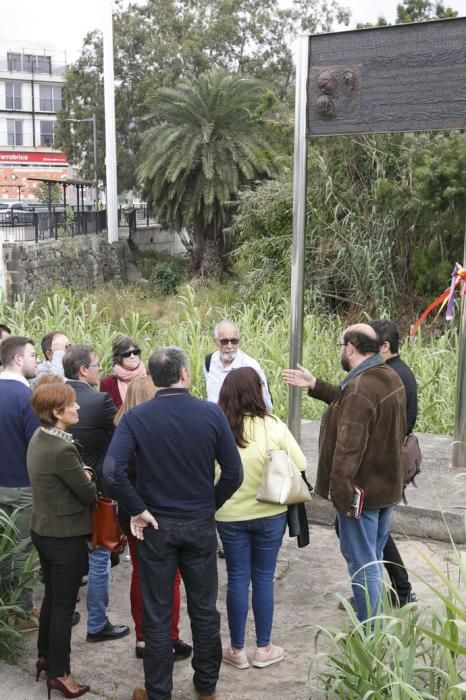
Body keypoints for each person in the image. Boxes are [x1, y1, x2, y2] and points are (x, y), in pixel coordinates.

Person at [103, 346, 243, 700]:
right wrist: (209, 505)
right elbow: (233, 473)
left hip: (156, 526)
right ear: (185, 374)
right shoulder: (211, 415)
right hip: (198, 523)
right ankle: (206, 687)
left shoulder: (136, 418)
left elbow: (111, 471)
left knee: (157, 611)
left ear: (150, 378)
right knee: (204, 609)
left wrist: (136, 508)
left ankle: (158, 692)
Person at [283, 324, 406, 623]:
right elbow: (352, 404)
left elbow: (348, 451)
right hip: (385, 491)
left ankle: (370, 634)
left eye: (341, 345)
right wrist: (316, 385)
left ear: (351, 347)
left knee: (363, 565)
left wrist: (340, 498)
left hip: (360, 496)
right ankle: (375, 628)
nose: (340, 350)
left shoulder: (361, 388)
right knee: (373, 560)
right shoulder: (388, 377)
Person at [216, 367, 307, 670]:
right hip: (270, 512)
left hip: (229, 515)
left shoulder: (219, 427)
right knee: (264, 578)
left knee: (237, 578)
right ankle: (264, 648)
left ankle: (237, 650)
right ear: (258, 392)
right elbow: (302, 462)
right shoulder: (274, 426)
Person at [114, 376, 192, 662]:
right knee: (170, 578)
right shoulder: (155, 428)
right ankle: (169, 638)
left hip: (129, 511)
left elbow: (114, 472)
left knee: (138, 573)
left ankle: (143, 637)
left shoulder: (121, 426)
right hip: (154, 512)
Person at [27, 376, 96, 699]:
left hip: (43, 529)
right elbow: (89, 494)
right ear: (57, 412)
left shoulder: (40, 437)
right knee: (64, 607)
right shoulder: (62, 449)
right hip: (64, 536)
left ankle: (45, 657)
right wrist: (88, 475)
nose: (78, 406)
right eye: (71, 404)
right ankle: (60, 673)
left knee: (53, 600)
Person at [63, 344, 129, 643]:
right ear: (82, 370)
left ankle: (62, 622)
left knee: (65, 558)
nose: (99, 369)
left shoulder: (54, 394)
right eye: (96, 365)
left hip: (60, 492)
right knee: (99, 556)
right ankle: (97, 624)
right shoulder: (101, 400)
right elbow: (122, 436)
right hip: (95, 490)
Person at [369, 319, 418, 606]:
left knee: (372, 533)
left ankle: (399, 588)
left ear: (385, 346)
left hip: (384, 466)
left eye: (370, 346)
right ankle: (398, 589)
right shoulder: (400, 372)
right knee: (375, 532)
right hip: (391, 462)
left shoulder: (390, 377)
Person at [0, 336, 40, 624]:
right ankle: (22, 612)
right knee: (23, 551)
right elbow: (37, 445)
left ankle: (5, 607)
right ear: (17, 359)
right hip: (21, 484)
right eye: (33, 355)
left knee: (3, 547)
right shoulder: (27, 397)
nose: (35, 361)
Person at [203, 320, 273, 413]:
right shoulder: (209, 362)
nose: (230, 346)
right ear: (216, 342)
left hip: (238, 424)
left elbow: (267, 405)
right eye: (224, 341)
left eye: (234, 341)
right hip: (215, 422)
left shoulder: (251, 366)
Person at [100, 337, 147, 409]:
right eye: (127, 354)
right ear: (118, 357)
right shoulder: (107, 383)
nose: (132, 356)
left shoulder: (150, 377)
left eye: (135, 352)